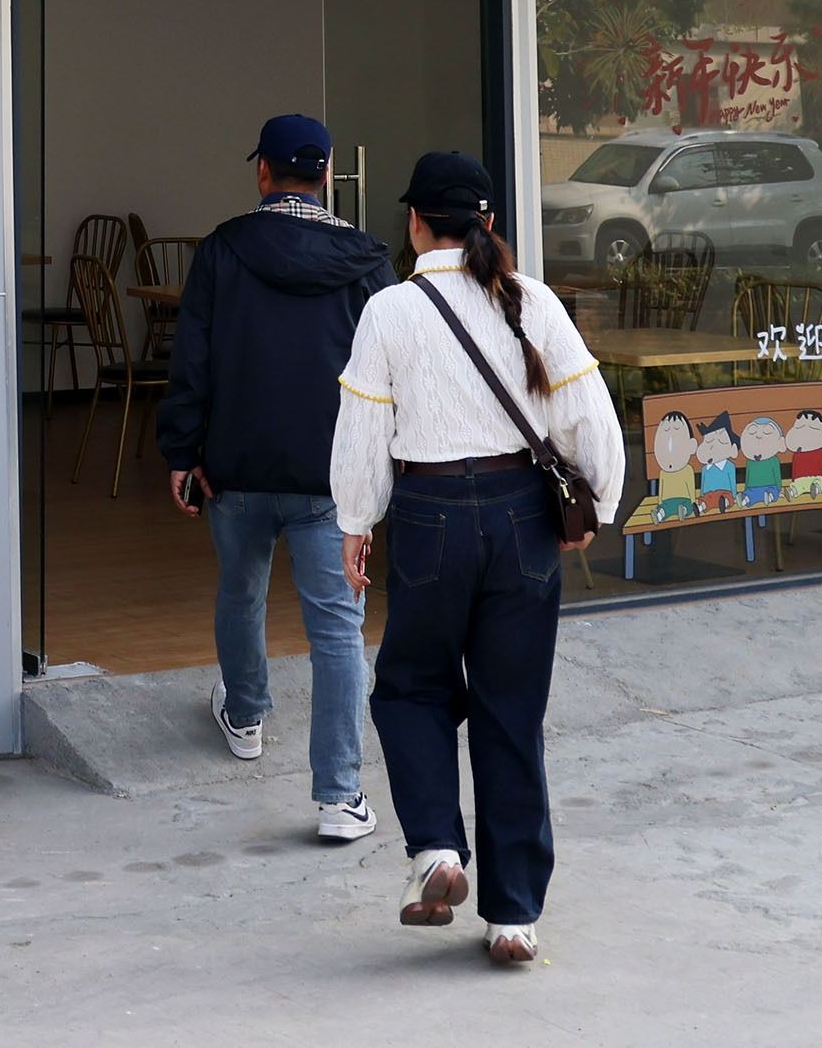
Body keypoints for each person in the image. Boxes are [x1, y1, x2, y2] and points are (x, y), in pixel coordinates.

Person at [332, 150, 625, 968]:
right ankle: (513, 917)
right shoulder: (532, 300)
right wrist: (596, 503)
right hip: (521, 516)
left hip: (428, 515)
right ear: (488, 222)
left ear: (415, 223)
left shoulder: (389, 309)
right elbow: (589, 416)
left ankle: (436, 848)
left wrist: (355, 521)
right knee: (511, 711)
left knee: (411, 688)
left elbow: (362, 432)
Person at [155, 112, 394, 843]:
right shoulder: (366, 262)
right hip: (330, 478)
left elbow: (191, 359)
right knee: (338, 629)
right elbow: (391, 376)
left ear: (263, 171)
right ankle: (340, 797)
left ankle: (246, 715)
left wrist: (181, 451)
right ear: (326, 174)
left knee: (241, 590)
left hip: (236, 468)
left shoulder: (222, 250)